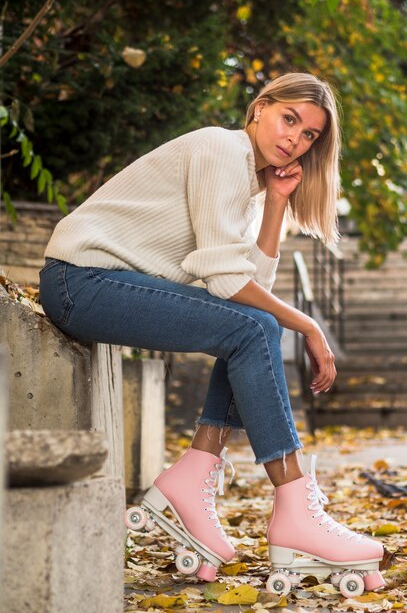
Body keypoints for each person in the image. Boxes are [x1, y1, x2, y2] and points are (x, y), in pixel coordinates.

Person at [39, 72, 384, 593]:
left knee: (250, 328)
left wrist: (275, 204)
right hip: (81, 281)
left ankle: (195, 475)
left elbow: (247, 286)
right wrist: (309, 323)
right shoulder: (221, 149)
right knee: (254, 326)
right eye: (289, 118)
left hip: (101, 284)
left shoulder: (247, 181)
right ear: (260, 108)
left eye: (309, 134)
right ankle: (294, 507)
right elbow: (229, 285)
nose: (295, 138)